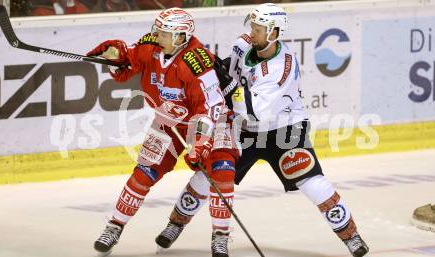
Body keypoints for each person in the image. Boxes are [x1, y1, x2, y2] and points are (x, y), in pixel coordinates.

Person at [157, 3, 370, 257]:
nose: (253, 32)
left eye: (259, 28)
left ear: (274, 32)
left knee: (312, 182)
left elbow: (253, 109)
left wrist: (224, 84)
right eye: (253, 26)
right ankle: (174, 225)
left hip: (284, 131)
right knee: (208, 176)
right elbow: (230, 70)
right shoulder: (243, 44)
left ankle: (351, 235)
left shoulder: (282, 68)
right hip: (245, 131)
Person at [86, 7, 237, 257]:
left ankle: (220, 236)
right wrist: (115, 57)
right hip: (168, 122)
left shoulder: (197, 62)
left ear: (181, 37)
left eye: (164, 33)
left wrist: (199, 143)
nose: (158, 36)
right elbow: (128, 64)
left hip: (212, 122)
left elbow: (210, 107)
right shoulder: (151, 45)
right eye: (158, 30)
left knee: (222, 172)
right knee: (144, 173)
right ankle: (114, 226)